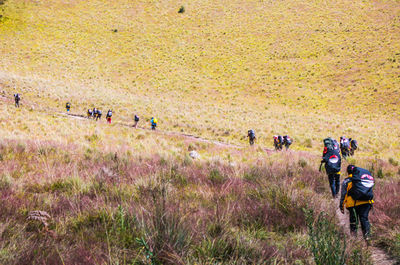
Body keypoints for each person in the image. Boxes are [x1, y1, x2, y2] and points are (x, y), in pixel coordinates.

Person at [339, 165, 374, 242]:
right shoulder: (362, 178)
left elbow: (343, 194)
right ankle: (367, 237)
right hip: (366, 202)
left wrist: (341, 205)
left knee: (353, 221)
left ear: (348, 172)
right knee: (364, 219)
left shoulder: (347, 181)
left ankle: (354, 239)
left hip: (353, 204)